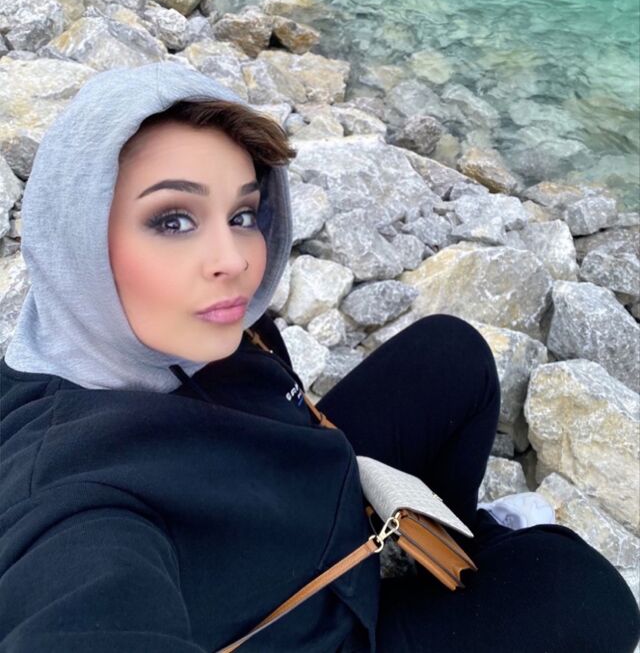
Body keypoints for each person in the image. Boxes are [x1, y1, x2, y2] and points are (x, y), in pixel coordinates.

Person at [0, 61, 638, 653]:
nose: (233, 259)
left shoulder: (181, 327)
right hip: (320, 627)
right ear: (76, 237)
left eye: (242, 214)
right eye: (173, 220)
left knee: (452, 353)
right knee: (584, 593)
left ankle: (439, 545)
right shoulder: (77, 498)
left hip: (304, 494)